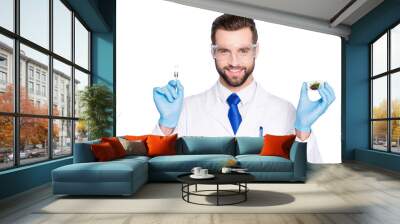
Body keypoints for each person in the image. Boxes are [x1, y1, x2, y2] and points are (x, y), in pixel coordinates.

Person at [152, 14, 335, 147]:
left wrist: (303, 131)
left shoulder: (285, 111)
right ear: (213, 52)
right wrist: (166, 126)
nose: (234, 62)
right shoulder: (186, 110)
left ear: (256, 51)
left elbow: (308, 171)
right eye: (224, 51)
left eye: (243, 51)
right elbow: (159, 169)